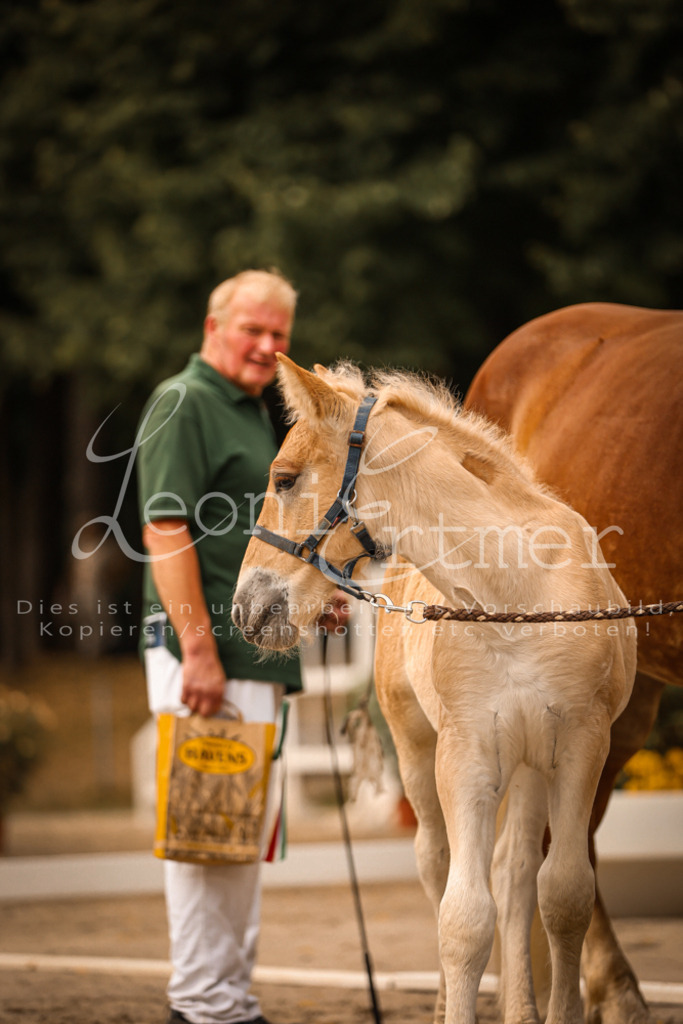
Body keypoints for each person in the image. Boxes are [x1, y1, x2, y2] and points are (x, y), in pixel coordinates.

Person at [137, 268, 303, 1024]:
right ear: (213, 327)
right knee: (207, 830)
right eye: (252, 329)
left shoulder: (253, 411)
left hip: (253, 652)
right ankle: (204, 1005)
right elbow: (165, 529)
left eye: (279, 335)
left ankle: (228, 1000)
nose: (267, 346)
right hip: (202, 655)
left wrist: (311, 604)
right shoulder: (185, 401)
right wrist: (198, 652)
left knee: (240, 832)